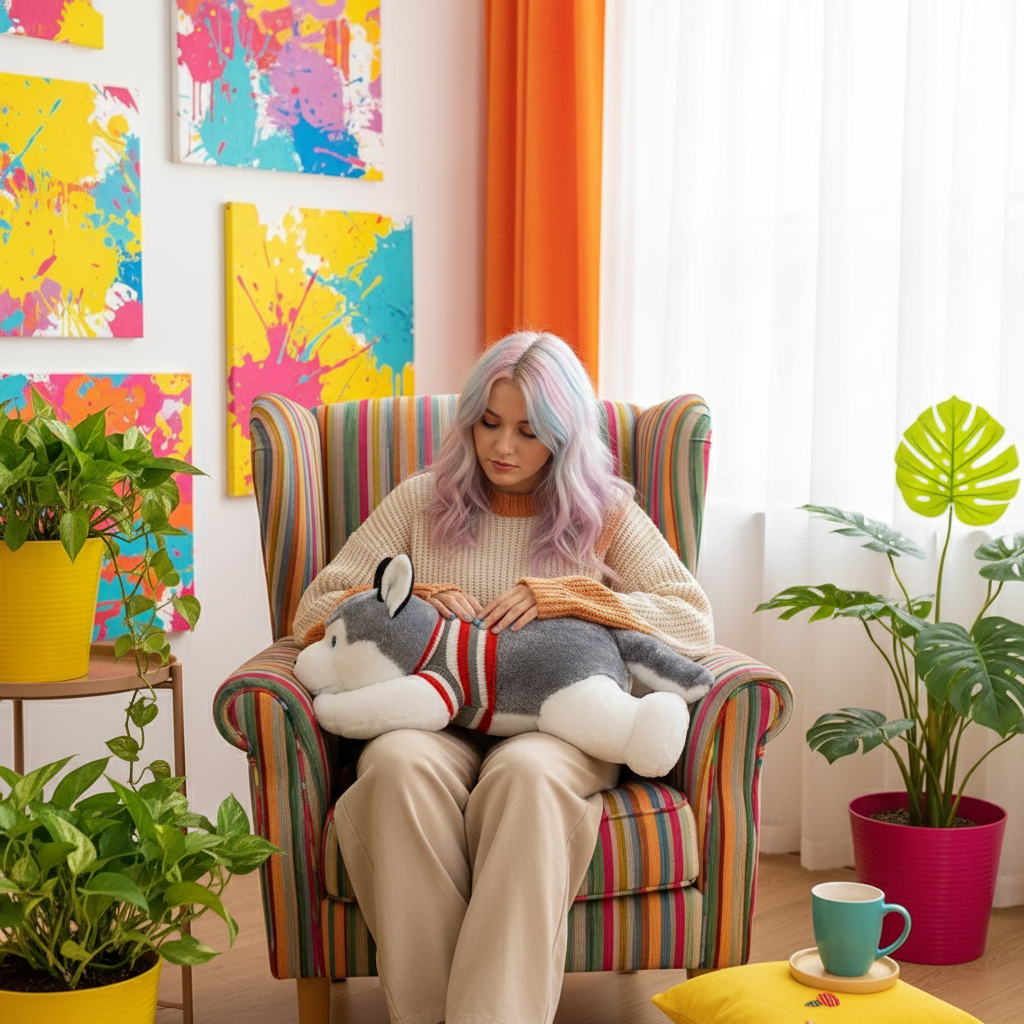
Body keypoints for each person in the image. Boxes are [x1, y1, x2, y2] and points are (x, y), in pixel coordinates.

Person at [292, 331, 714, 1024]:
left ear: (564, 435)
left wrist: (574, 597)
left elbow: (692, 618)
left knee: (524, 778)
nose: (502, 447)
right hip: (434, 714)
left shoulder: (606, 510)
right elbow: (315, 606)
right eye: (489, 423)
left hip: (557, 729)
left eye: (528, 429)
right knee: (394, 766)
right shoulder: (420, 499)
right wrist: (413, 598)